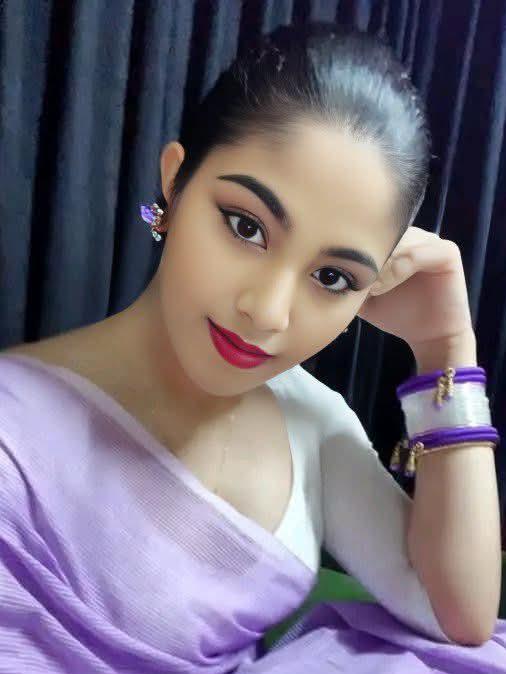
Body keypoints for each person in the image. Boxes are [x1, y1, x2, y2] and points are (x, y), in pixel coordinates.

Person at [1, 21, 505, 673]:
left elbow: (461, 618)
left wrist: (446, 349)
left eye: (333, 278)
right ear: (175, 183)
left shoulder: (311, 423)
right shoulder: (14, 427)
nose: (267, 312)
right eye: (246, 227)